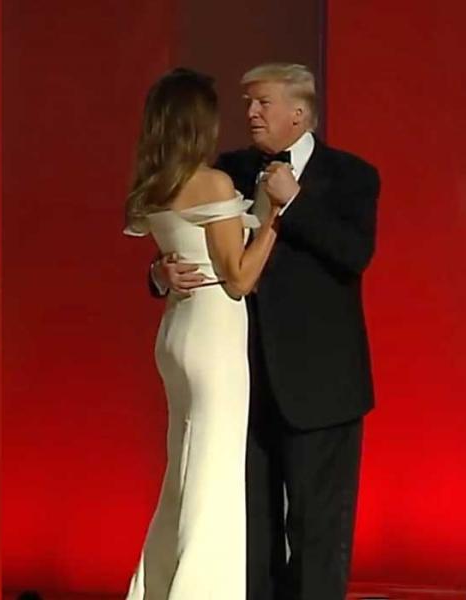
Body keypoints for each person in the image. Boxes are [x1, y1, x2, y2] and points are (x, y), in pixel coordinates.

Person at [152, 63, 379, 600]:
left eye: (263, 103)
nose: (250, 113)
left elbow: (353, 254)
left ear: (298, 114)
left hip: (322, 388)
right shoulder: (227, 171)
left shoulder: (351, 175)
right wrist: (159, 273)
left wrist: (293, 202)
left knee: (317, 535)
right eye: (248, 103)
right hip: (243, 382)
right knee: (250, 535)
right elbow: (183, 232)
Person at [123, 67, 280, 599]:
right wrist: (274, 218)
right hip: (213, 334)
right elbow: (239, 278)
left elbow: (175, 253)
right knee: (213, 477)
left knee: (184, 474)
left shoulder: (156, 186)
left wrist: (157, 272)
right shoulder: (211, 183)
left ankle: (159, 588)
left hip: (176, 333)